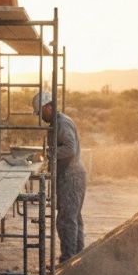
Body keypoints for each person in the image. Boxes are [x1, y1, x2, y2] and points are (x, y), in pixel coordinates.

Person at [32, 90, 87, 262]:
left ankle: (68, 260)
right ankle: (77, 258)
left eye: (41, 112)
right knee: (73, 218)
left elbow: (70, 149)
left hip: (71, 176)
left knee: (66, 220)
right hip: (70, 175)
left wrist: (49, 154)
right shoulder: (58, 122)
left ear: (48, 107)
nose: (41, 117)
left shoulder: (62, 123)